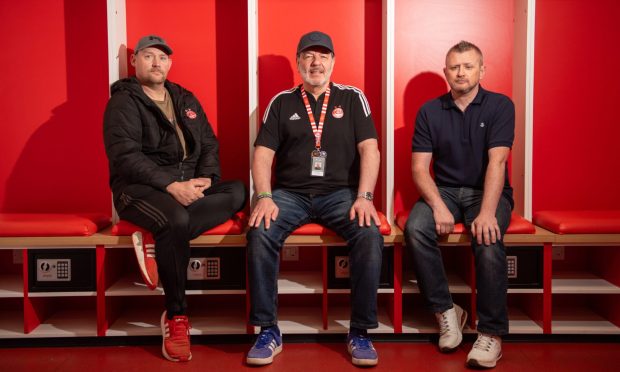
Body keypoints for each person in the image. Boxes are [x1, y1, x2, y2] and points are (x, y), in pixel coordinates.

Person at [103, 35, 246, 362]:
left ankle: (156, 239)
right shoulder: (123, 102)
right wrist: (171, 185)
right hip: (138, 190)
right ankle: (176, 314)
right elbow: (125, 157)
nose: (157, 63)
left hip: (186, 186)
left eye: (163, 58)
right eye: (149, 56)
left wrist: (205, 180)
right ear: (135, 61)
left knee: (238, 191)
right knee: (176, 219)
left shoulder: (185, 98)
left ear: (170, 63)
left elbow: (209, 144)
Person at [246, 31, 383, 367]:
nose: (316, 62)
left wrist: (365, 196)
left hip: (340, 195)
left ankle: (360, 331)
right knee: (259, 232)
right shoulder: (281, 102)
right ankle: (268, 330)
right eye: (308, 56)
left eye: (323, 56)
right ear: (298, 63)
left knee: (369, 233)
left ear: (333, 62)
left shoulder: (353, 99)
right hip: (289, 195)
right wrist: (263, 195)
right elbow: (262, 153)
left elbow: (371, 150)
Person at [404, 40, 514, 369]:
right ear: (446, 72)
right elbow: (419, 169)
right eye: (454, 67)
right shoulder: (430, 111)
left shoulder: (500, 106)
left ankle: (491, 334)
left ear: (482, 70)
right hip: (447, 191)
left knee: (488, 236)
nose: (461, 72)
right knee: (415, 228)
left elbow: (498, 163)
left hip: (488, 192)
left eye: (468, 66)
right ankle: (447, 311)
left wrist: (485, 213)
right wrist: (438, 205)